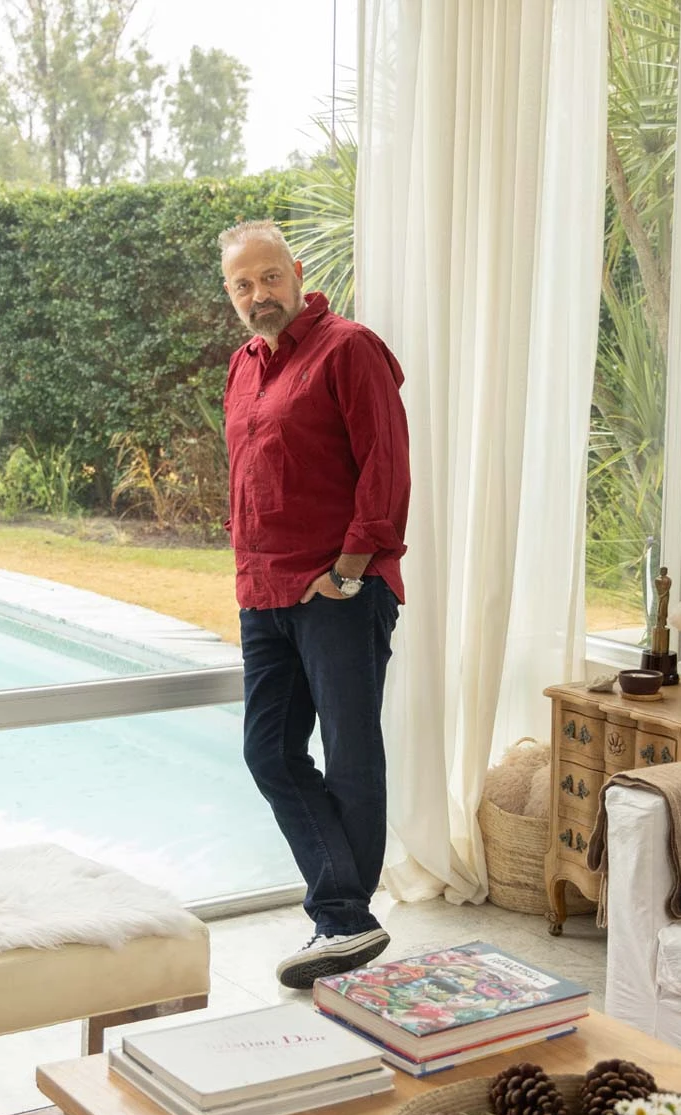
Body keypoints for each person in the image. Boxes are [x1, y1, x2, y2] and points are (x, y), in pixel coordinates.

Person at [218, 219, 411, 989]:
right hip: (261, 592)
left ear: (296, 272)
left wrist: (353, 567)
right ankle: (349, 920)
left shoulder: (349, 347)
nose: (257, 295)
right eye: (241, 285)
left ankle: (339, 921)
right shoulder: (242, 365)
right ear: (229, 294)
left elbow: (385, 465)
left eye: (268, 278)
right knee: (268, 751)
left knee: (350, 751)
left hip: (337, 590)